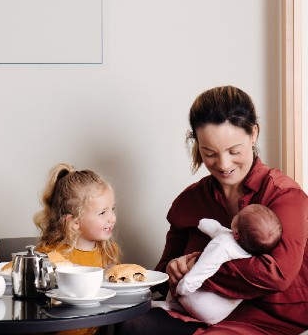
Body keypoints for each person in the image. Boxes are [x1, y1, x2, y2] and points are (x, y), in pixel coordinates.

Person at [115, 85, 308, 335]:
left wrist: (197, 269)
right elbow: (162, 274)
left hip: (269, 316)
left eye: (234, 151)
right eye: (210, 153)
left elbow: (278, 274)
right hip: (198, 312)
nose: (224, 164)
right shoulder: (189, 201)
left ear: (253, 134)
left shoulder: (285, 196)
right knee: (132, 325)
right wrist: (174, 268)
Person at [33, 163, 121, 335]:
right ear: (75, 223)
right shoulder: (50, 257)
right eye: (102, 213)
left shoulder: (108, 253)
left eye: (113, 209)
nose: (112, 218)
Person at [160, 204, 282, 325]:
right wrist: (205, 225)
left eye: (239, 215)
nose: (237, 214)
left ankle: (172, 304)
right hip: (219, 313)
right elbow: (219, 230)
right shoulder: (251, 252)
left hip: (201, 305)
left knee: (186, 275)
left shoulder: (222, 245)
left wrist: (183, 288)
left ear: (237, 234)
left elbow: (204, 268)